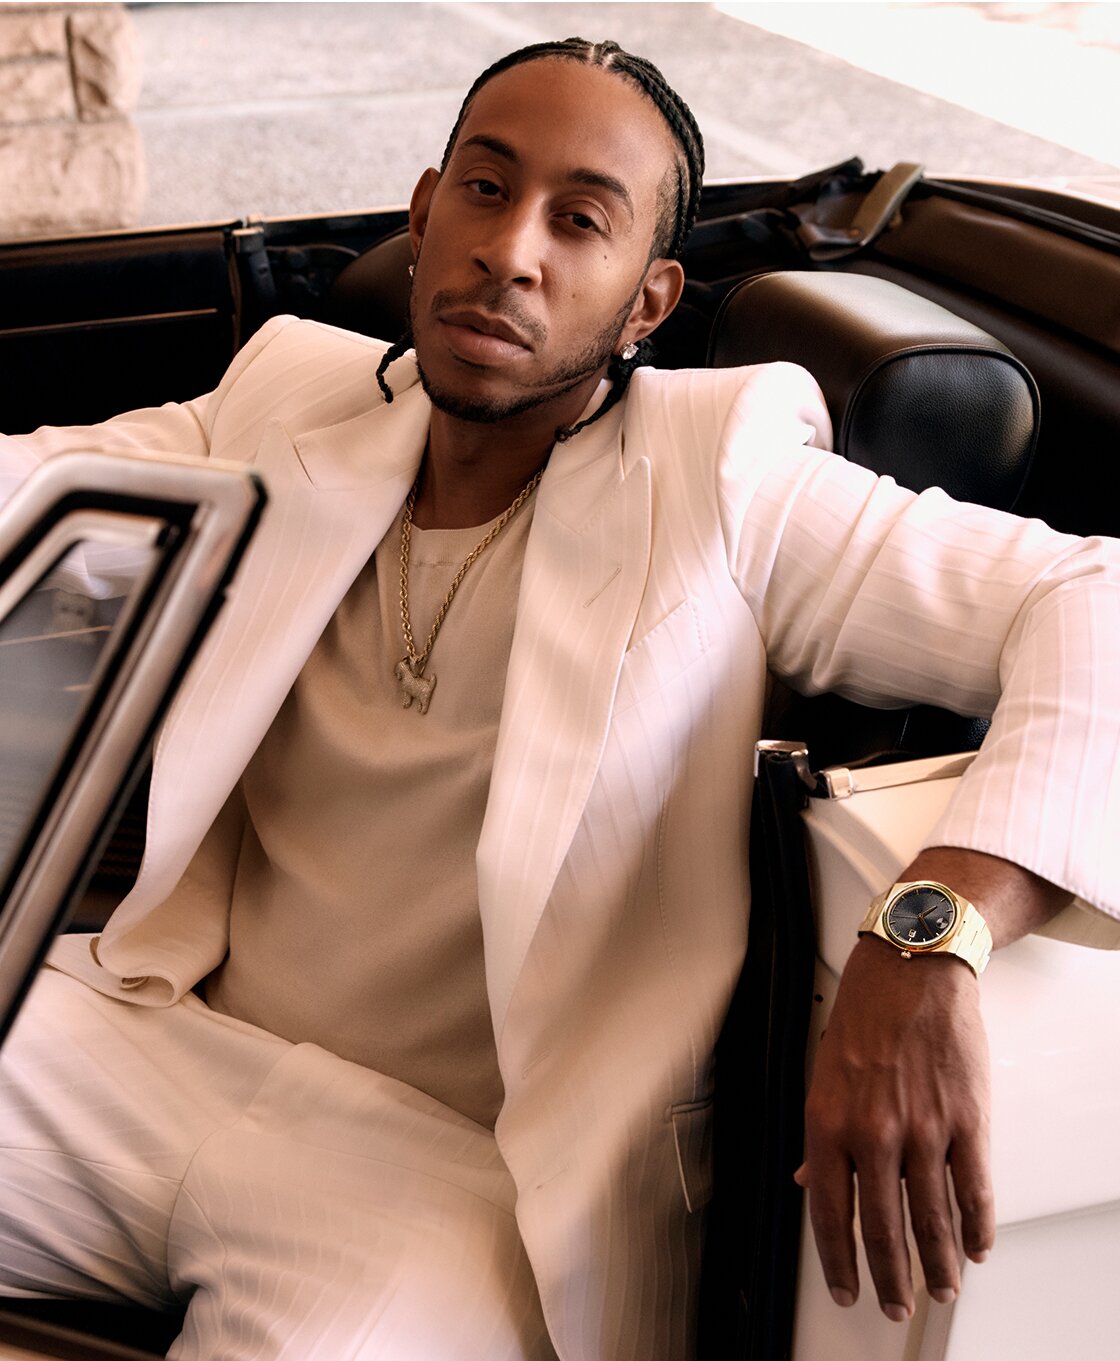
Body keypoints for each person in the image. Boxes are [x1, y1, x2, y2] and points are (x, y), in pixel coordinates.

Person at [1, 35, 1118, 1361]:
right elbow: (39, 478)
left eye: (578, 220)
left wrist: (926, 932)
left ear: (647, 303)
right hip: (151, 1046)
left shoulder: (724, 482)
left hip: (457, 1180)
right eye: (484, 190)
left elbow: (1092, 596)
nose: (512, 251)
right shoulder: (287, 395)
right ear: (423, 217)